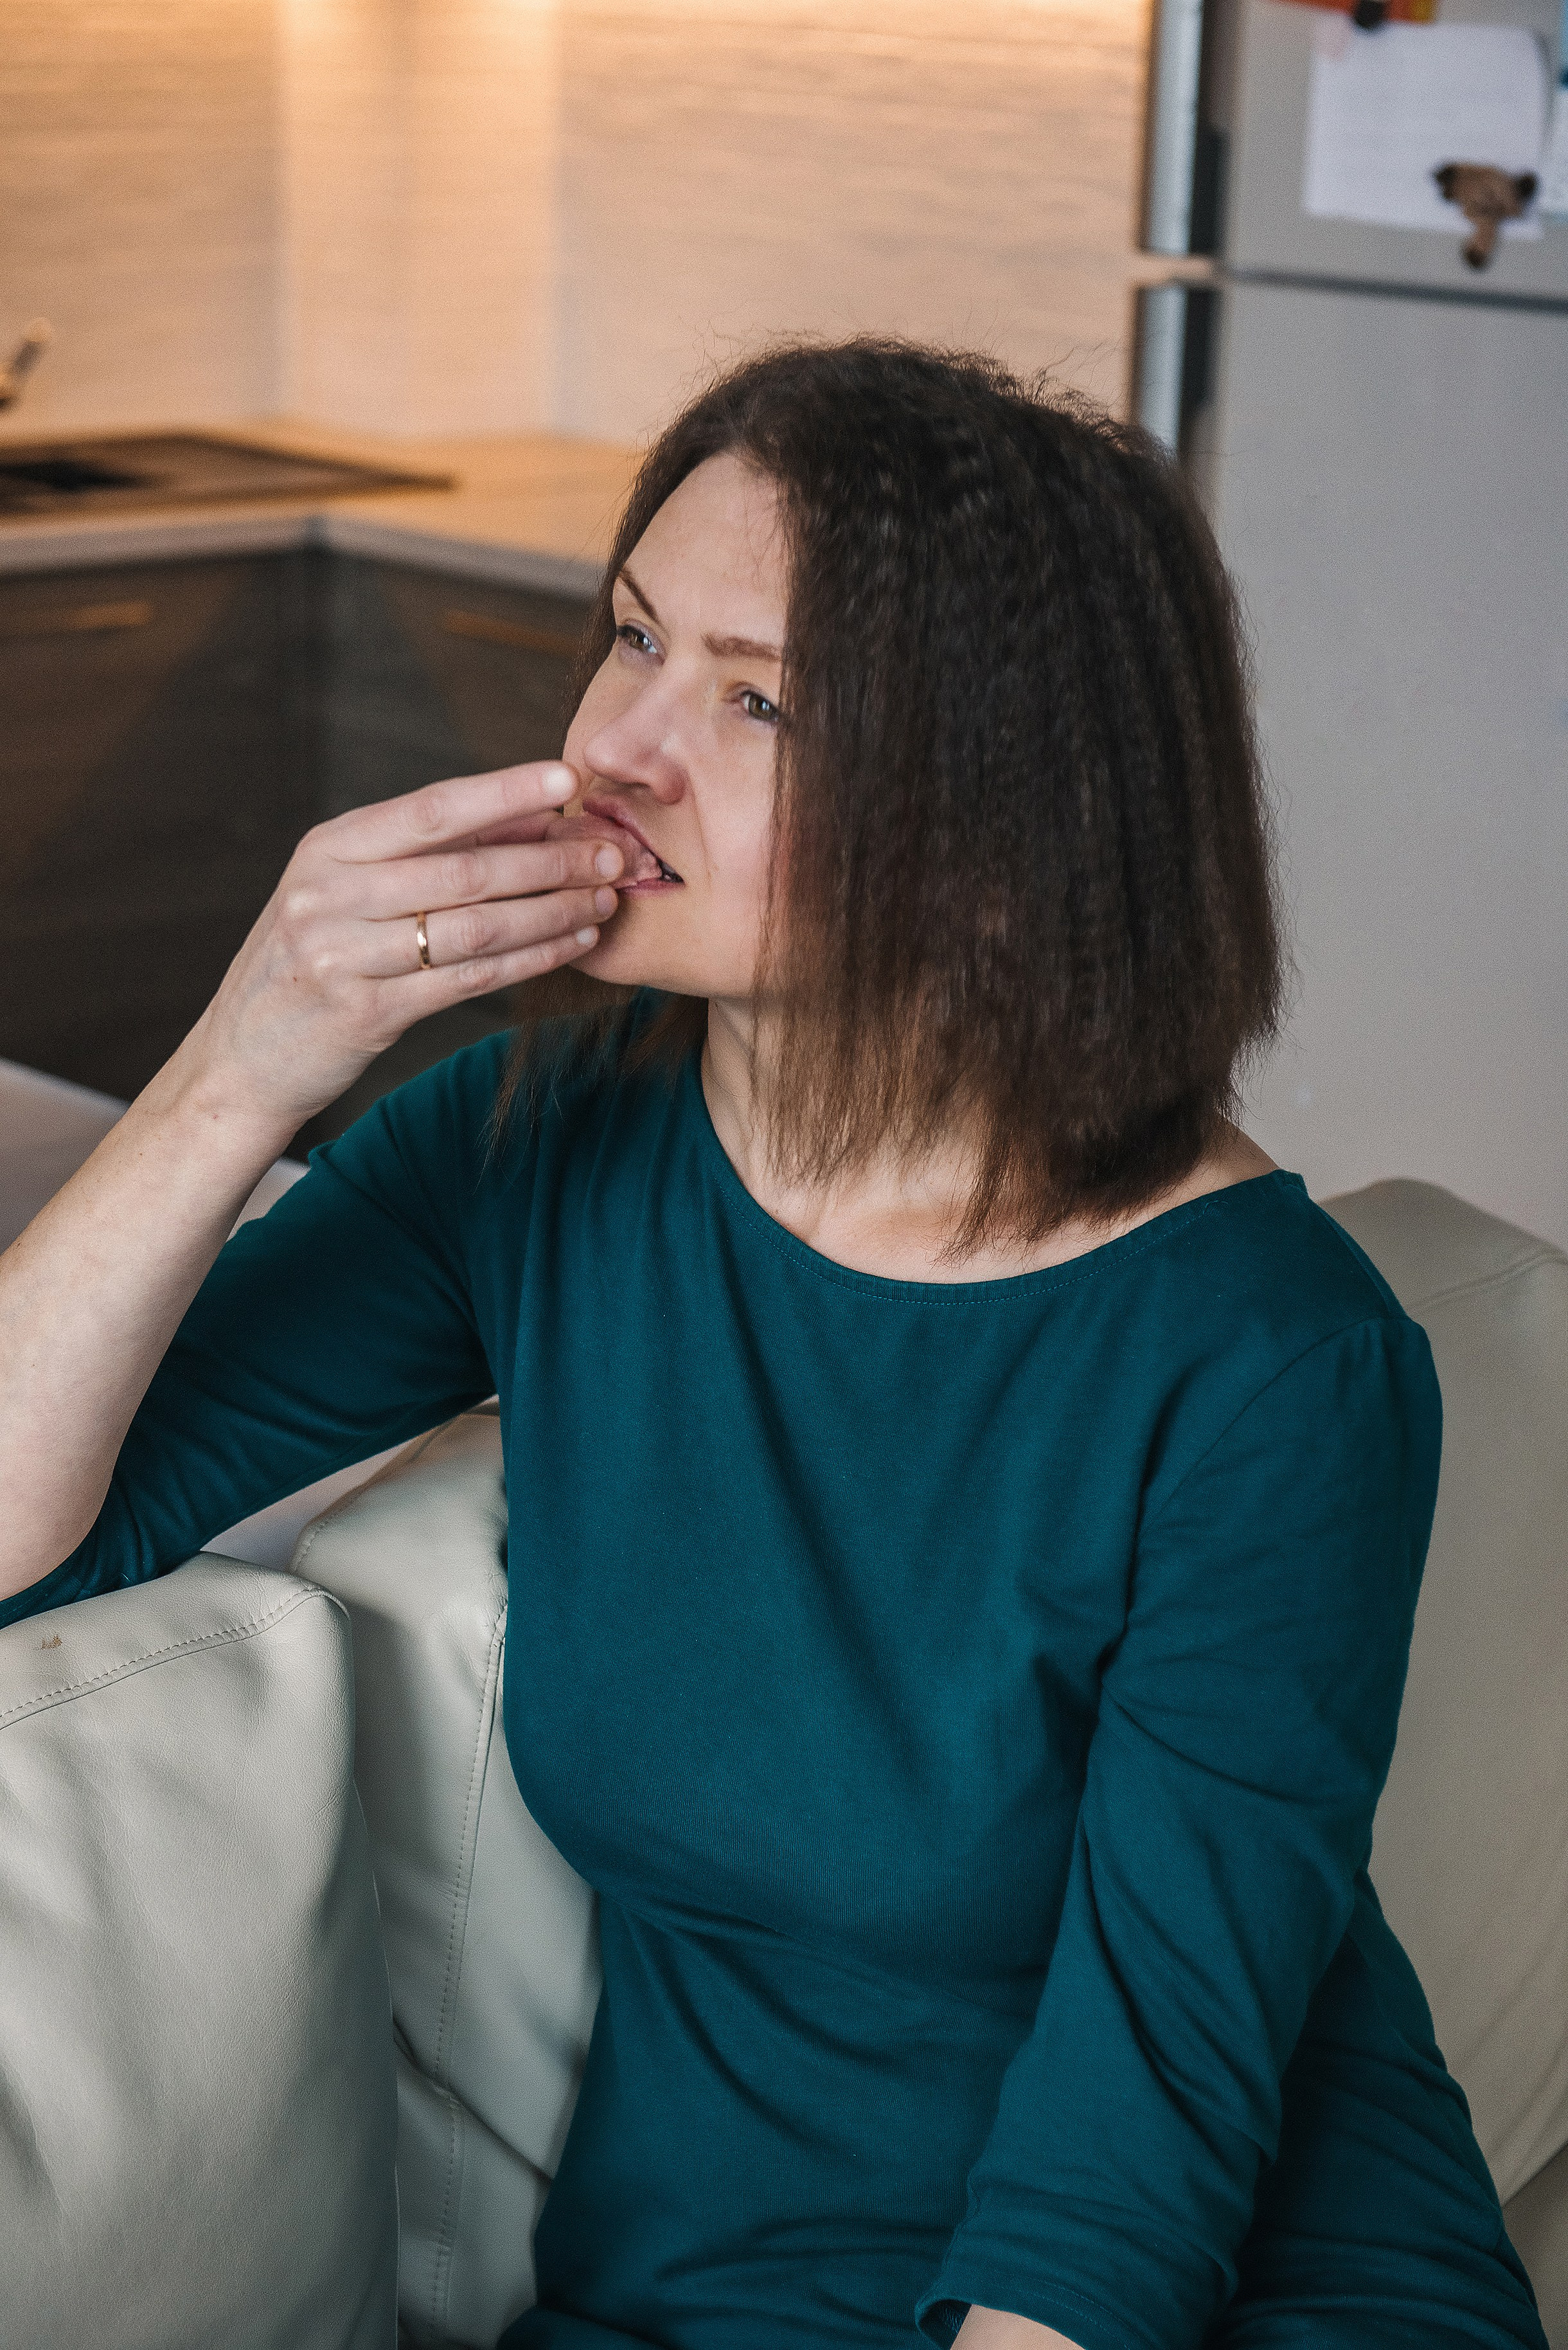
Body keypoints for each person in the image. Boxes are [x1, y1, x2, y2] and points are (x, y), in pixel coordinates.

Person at [0, 341, 1546, 2350]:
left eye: (756, 698)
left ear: (1008, 813)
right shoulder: (533, 1147)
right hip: (715, 2297)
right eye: (630, 635)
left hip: (1225, 2294)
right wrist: (237, 1072)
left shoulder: (1266, 1359)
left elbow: (1143, 2134)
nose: (619, 752)